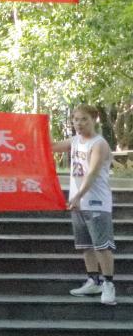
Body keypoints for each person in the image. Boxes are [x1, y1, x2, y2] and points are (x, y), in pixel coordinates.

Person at [53, 104, 117, 306]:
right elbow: (50, 146)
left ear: (94, 120)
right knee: (86, 246)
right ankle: (93, 281)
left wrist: (78, 195)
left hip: (96, 202)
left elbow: (92, 173)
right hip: (78, 202)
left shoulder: (99, 144)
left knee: (102, 246)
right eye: (75, 119)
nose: (79, 123)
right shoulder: (74, 141)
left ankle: (108, 284)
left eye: (84, 119)